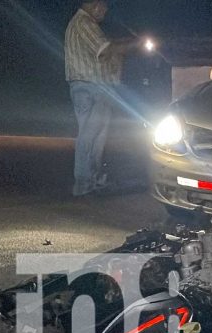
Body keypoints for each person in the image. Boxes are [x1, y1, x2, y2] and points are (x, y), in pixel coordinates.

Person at [64, 0, 143, 197]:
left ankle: (91, 180)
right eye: (104, 7)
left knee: (94, 135)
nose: (105, 12)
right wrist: (135, 43)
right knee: (90, 135)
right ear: (95, 5)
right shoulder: (84, 23)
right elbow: (105, 49)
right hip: (90, 85)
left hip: (88, 85)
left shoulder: (80, 23)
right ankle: (83, 183)